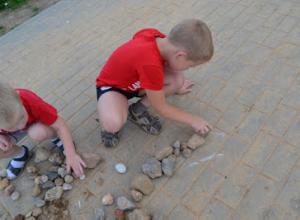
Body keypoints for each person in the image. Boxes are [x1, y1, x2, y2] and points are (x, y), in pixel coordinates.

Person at [96, 19, 214, 147]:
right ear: (180, 55)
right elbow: (161, 108)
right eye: (189, 66)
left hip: (138, 82)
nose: (187, 69)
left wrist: (176, 87)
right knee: (113, 123)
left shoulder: (158, 37)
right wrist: (193, 120)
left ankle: (137, 110)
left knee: (177, 80)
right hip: (114, 88)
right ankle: (111, 118)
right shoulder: (150, 65)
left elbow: (138, 36)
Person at [0, 82, 86, 179]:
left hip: (35, 124)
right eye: (12, 126)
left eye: (21, 117)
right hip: (7, 134)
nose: (21, 126)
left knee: (38, 132)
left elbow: (60, 125)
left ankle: (56, 137)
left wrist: (71, 154)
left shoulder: (30, 101)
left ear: (19, 99)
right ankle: (20, 154)